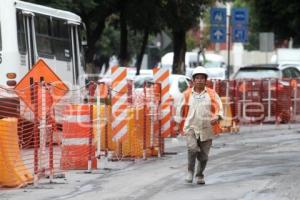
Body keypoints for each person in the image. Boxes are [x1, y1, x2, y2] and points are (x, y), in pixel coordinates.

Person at [180, 66, 223, 184]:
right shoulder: (187, 94)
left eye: (202, 78)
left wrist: (217, 116)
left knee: (203, 157)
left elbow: (219, 107)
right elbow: (179, 110)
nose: (199, 80)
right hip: (191, 127)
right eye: (197, 78)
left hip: (207, 128)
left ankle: (199, 175)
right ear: (193, 80)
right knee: (192, 148)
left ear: (205, 80)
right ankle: (190, 171)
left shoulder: (212, 94)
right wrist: (178, 123)